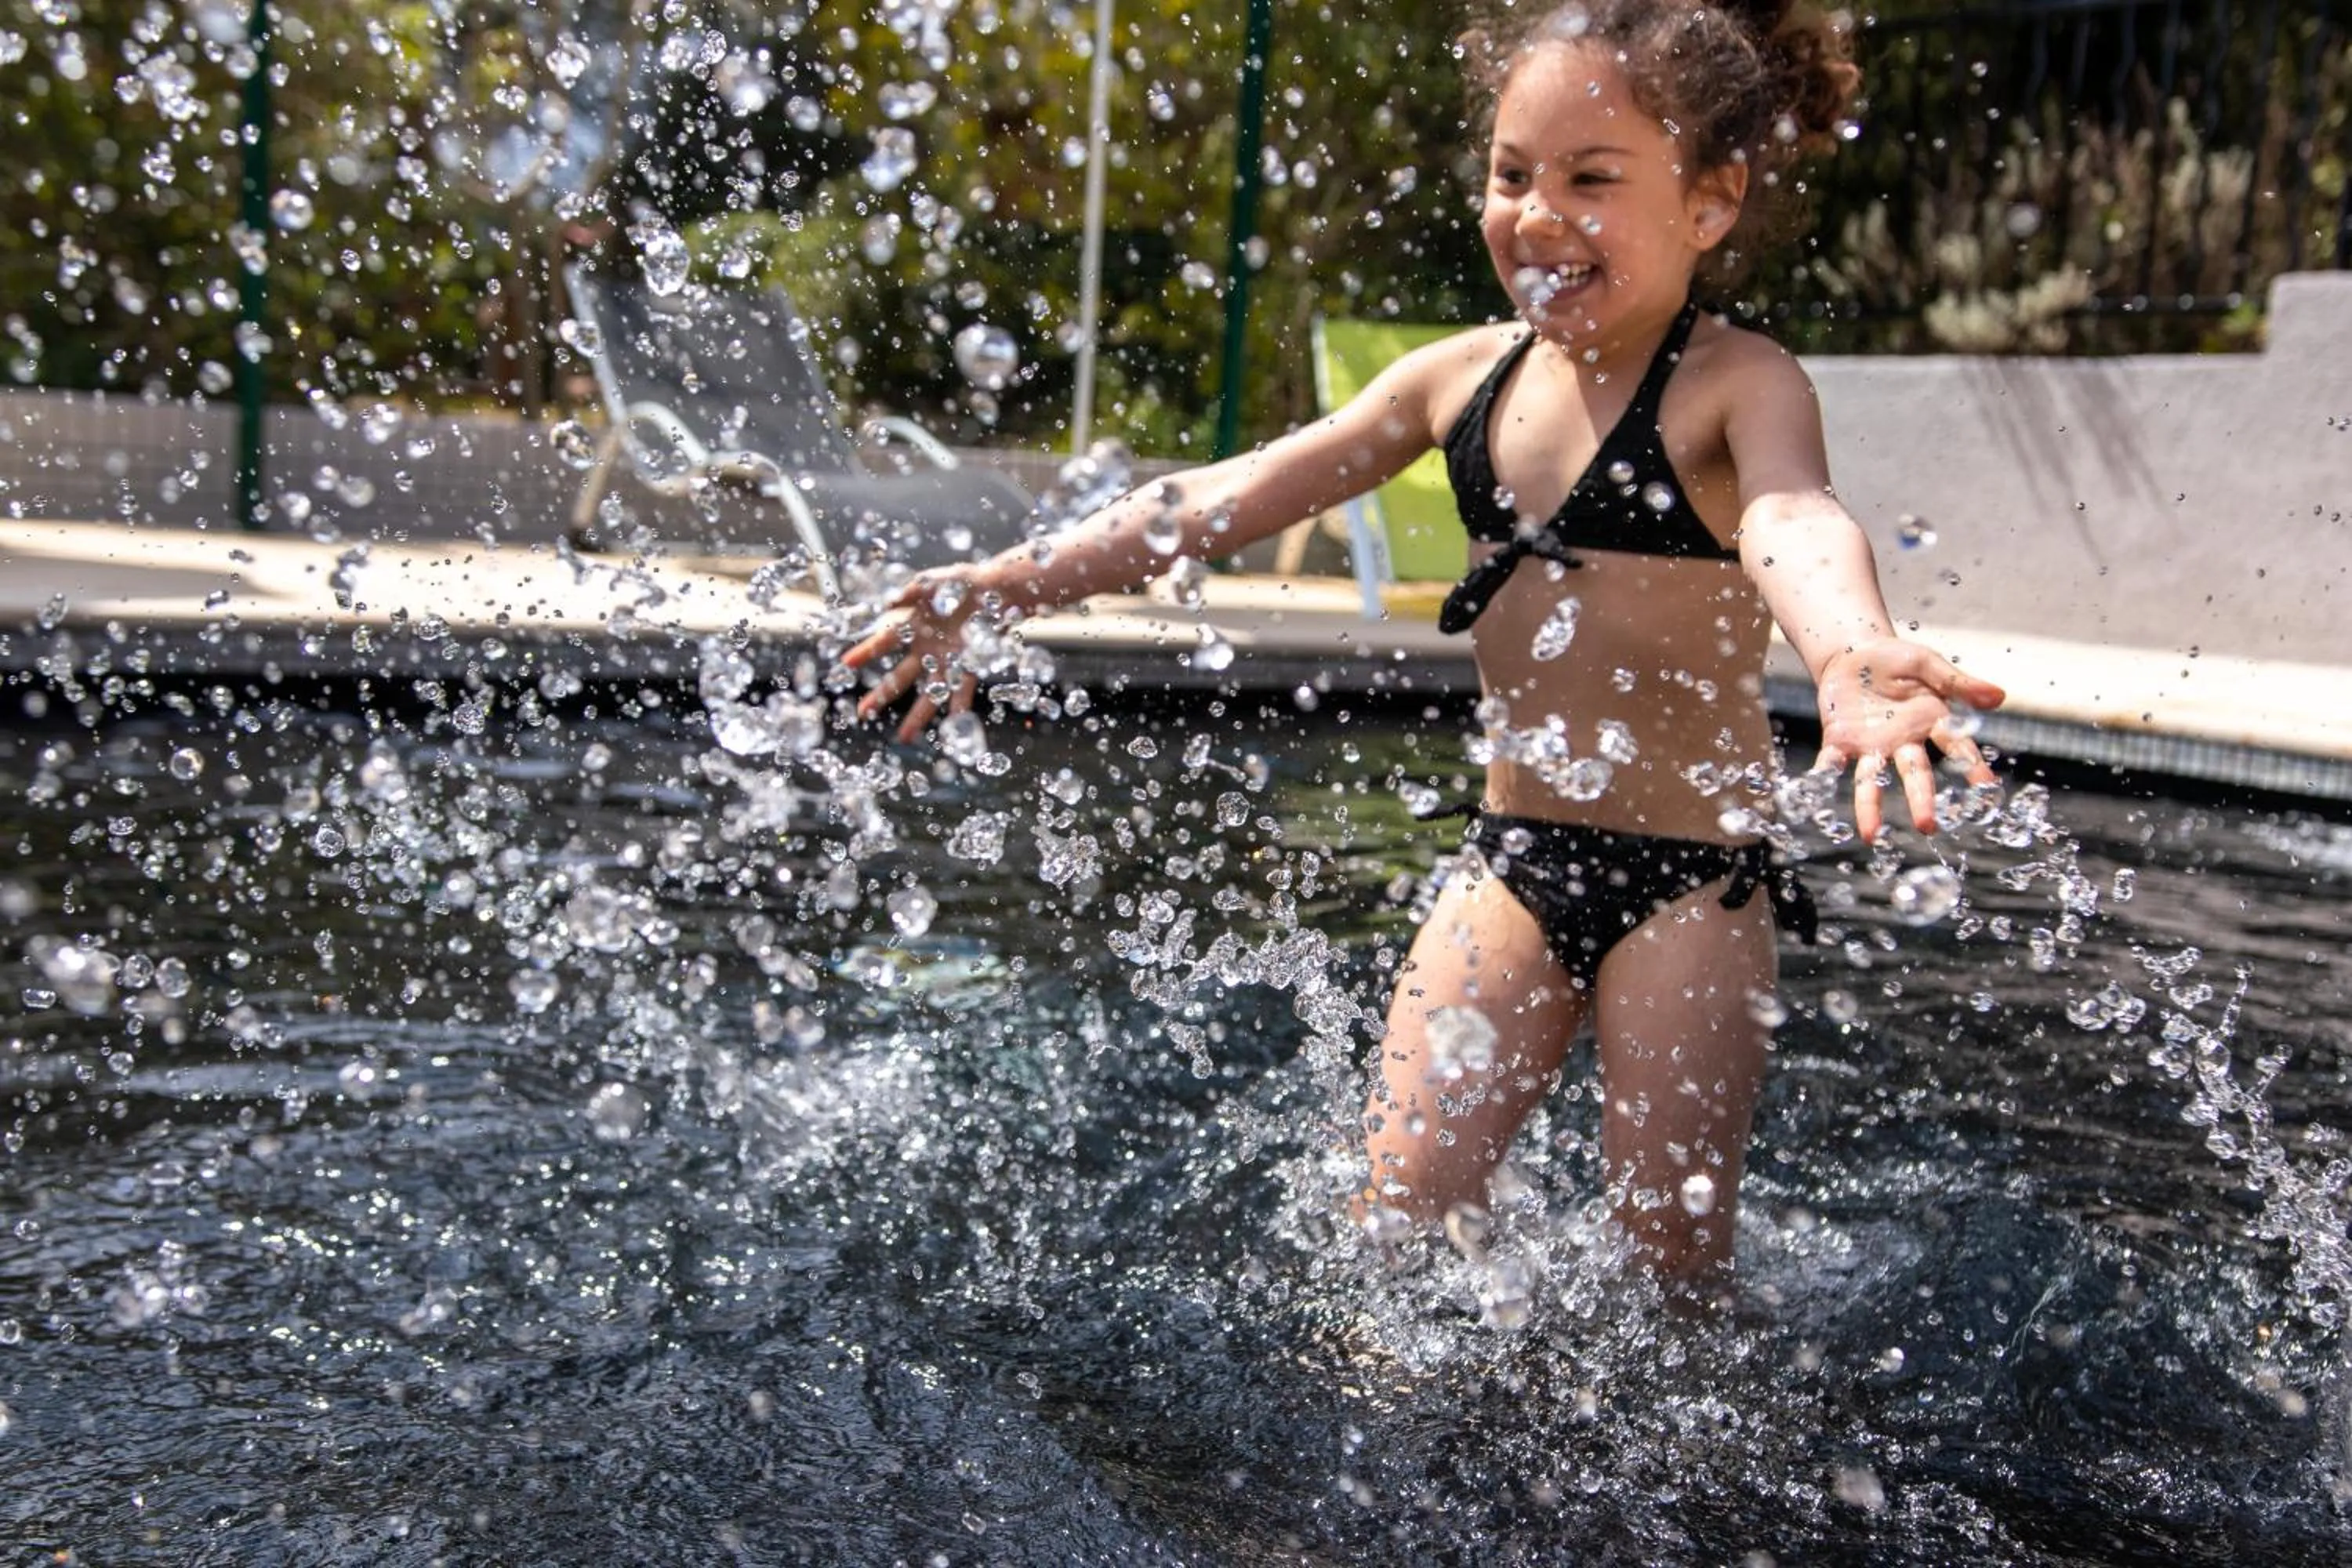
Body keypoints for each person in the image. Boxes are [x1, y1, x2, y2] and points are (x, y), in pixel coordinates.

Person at [844, 0, 2005, 1298]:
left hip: (1692, 884)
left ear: (1710, 204)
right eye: (1513, 175)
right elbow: (1220, 497)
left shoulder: (1738, 384)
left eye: (1593, 179)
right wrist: (1006, 583)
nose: (1538, 213)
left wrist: (1852, 656)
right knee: (1391, 1220)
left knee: (1669, 1265)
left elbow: (1792, 513)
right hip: (1509, 863)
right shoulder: (1460, 381)